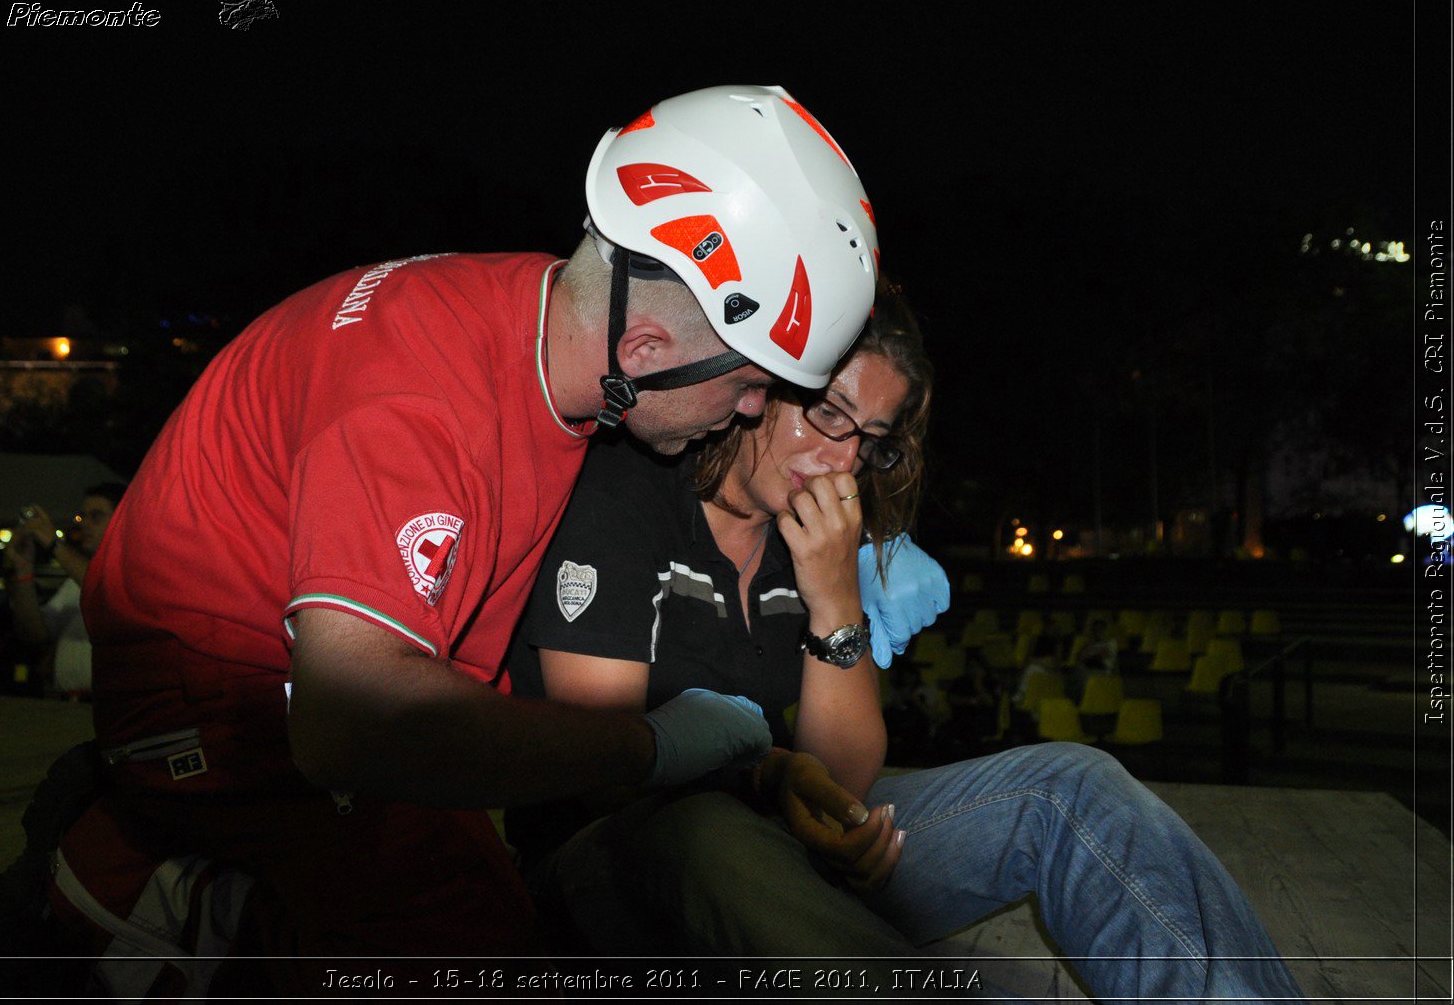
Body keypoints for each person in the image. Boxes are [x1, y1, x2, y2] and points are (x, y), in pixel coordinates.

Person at [47, 85, 908, 990]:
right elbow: (350, 723)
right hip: (217, 715)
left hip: (316, 698)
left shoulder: (541, 328)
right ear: (647, 347)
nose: (751, 410)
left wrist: (755, 766)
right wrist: (654, 746)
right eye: (750, 382)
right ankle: (186, 905)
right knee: (481, 944)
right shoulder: (423, 402)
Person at [506, 297, 1306, 1002]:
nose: (844, 457)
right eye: (828, 412)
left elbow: (846, 777)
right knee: (702, 827)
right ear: (762, 385)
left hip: (775, 839)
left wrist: (834, 599)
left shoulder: (814, 540)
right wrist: (771, 778)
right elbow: (604, 770)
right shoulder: (628, 492)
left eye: (870, 438)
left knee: (1071, 787)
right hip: (609, 869)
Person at [4, 483, 125, 698]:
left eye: (95, 516)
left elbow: (105, 589)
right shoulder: (74, 582)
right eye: (82, 516)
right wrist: (23, 572)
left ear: (124, 519)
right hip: (67, 704)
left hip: (107, 707)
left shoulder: (137, 573)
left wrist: (53, 542)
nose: (85, 524)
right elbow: (34, 634)